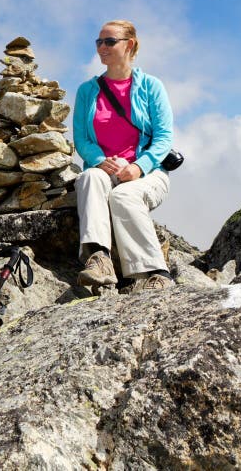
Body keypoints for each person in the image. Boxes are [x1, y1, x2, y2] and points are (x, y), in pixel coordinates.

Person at [73, 19, 173, 291]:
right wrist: (98, 161)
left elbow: (164, 138)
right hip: (106, 170)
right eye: (99, 42)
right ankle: (99, 259)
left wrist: (139, 167)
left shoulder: (152, 87)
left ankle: (156, 274)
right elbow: (81, 139)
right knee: (89, 178)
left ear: (129, 45)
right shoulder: (87, 91)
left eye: (109, 41)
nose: (101, 47)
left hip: (148, 174)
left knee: (123, 195)